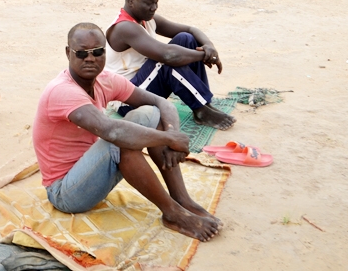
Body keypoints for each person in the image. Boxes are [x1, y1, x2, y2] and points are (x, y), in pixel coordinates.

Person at [33, 23, 221, 242]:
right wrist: (170, 138)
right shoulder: (63, 91)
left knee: (151, 113)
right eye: (82, 53)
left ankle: (182, 199)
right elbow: (111, 131)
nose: (90, 58)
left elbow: (161, 103)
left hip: (90, 171)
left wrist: (173, 133)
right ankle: (172, 213)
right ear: (68, 53)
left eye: (98, 52)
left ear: (105, 52)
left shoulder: (104, 80)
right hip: (66, 192)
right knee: (121, 140)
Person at [105, 0, 235, 130]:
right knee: (166, 60)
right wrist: (204, 55)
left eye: (156, 3)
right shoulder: (124, 27)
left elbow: (190, 30)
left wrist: (209, 46)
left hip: (147, 84)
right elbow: (167, 55)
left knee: (185, 39)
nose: (154, 8)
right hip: (128, 99)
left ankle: (204, 102)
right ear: (131, 0)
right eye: (148, 3)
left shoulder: (148, 20)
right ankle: (200, 110)